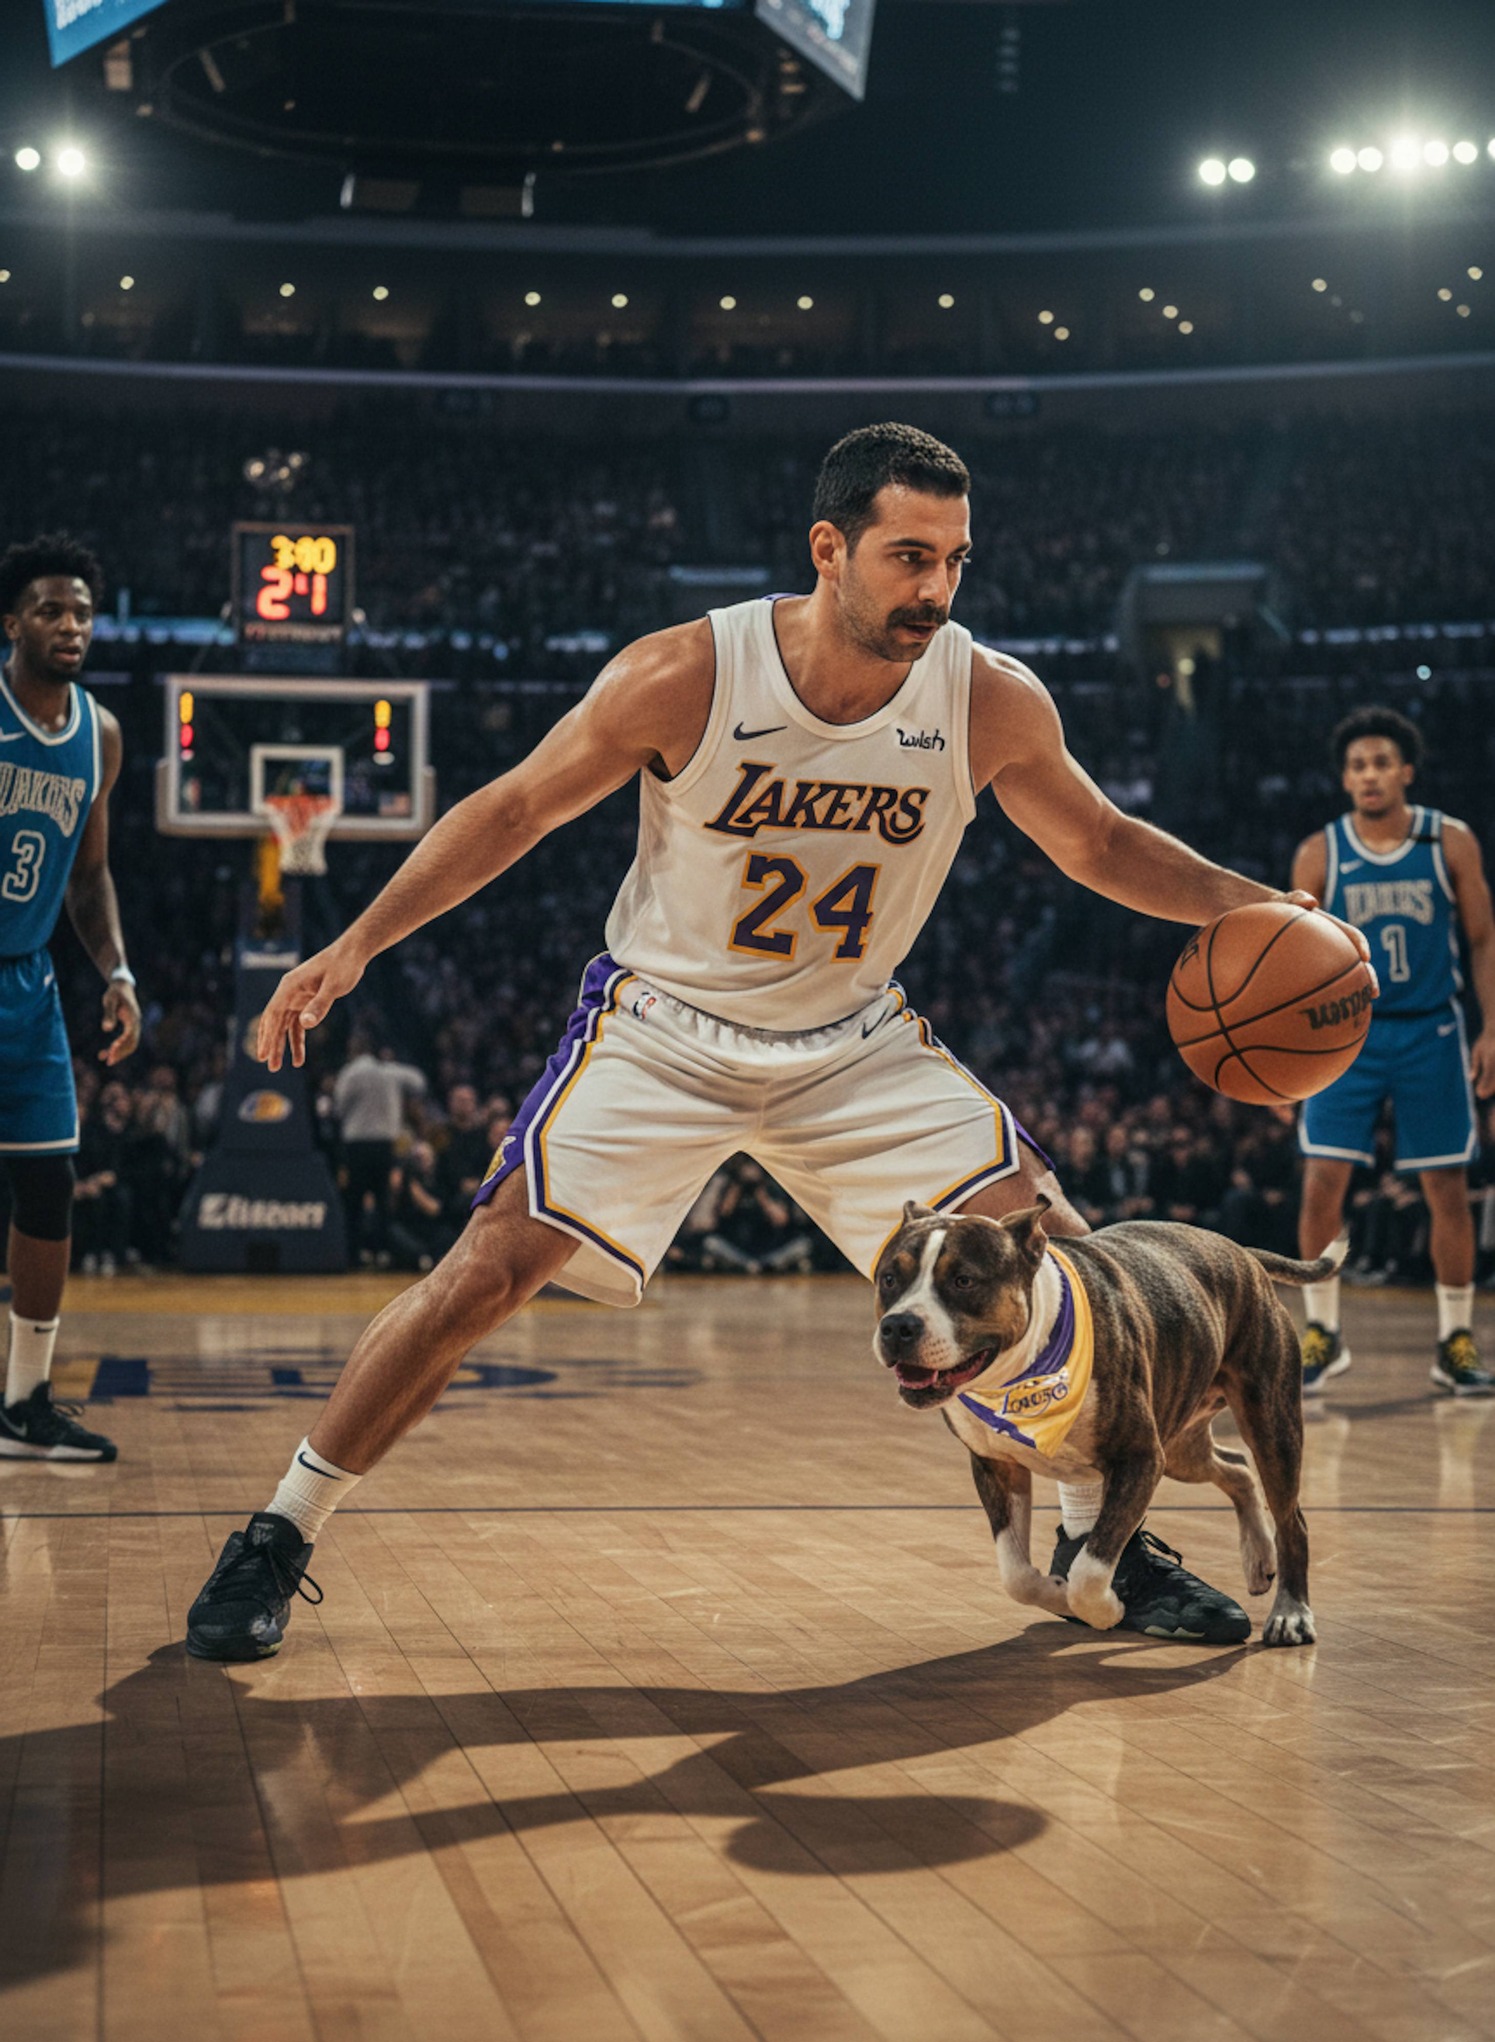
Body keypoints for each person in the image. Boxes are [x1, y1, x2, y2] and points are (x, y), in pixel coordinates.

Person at [184, 422, 1369, 1659]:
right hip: (663, 1026)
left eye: (955, 560)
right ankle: (280, 1527)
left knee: (1058, 1259)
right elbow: (516, 806)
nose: (936, 589)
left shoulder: (988, 698)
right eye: (909, 556)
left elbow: (1105, 844)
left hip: (851, 1039)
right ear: (828, 548)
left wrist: (1269, 909)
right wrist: (358, 940)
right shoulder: (687, 672)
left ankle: (1106, 1547)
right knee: (485, 1271)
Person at [1294, 706, 1495, 1395]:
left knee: (1445, 1186)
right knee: (1322, 1180)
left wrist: (1490, 1028)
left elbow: (1482, 940)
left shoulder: (1450, 842)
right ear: (1344, 779)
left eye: (1380, 763)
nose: (1369, 775)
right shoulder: (1321, 851)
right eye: (1356, 766)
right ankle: (1320, 1333)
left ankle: (1454, 1341)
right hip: (1345, 1036)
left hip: (1431, 1030)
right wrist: (1291, 1056)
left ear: (1405, 771)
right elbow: (1292, 961)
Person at [0, 534, 140, 1463]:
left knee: (48, 1186)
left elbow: (89, 878)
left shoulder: (101, 733)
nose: (71, 626)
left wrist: (118, 973)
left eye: (83, 612)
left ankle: (24, 1403)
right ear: (12, 624)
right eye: (52, 609)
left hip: (30, 983)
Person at [331, 1036, 427, 1264]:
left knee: (354, 1202)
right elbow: (419, 1083)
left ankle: (353, 1255)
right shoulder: (390, 1072)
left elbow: (339, 1106)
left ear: (354, 1049)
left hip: (358, 1146)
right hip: (384, 1146)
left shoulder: (350, 1072)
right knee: (383, 1203)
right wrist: (391, 1066)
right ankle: (383, 1253)